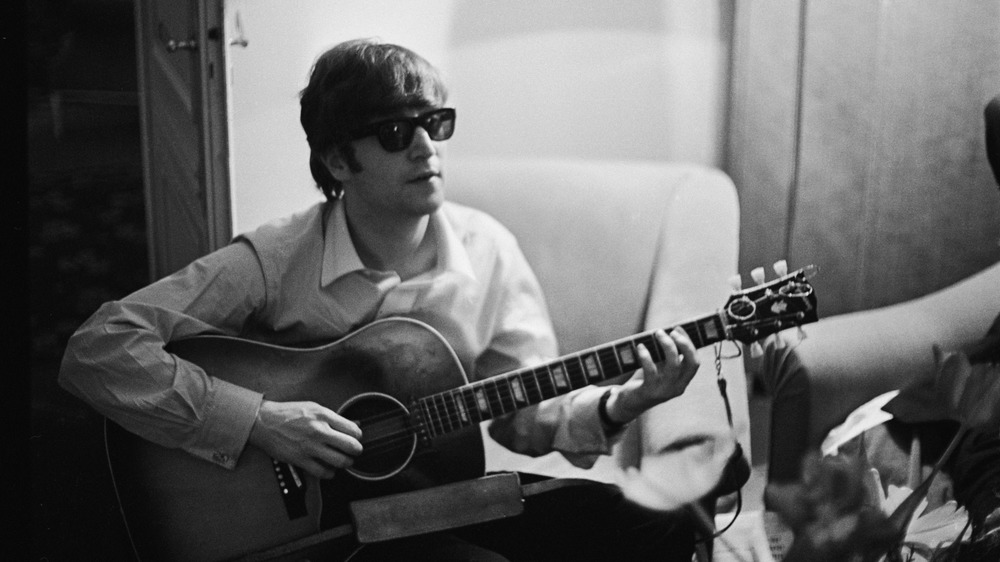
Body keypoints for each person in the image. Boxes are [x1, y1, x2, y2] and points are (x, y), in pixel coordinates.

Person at [59, 38, 703, 561]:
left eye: (435, 123)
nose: (428, 147)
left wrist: (627, 402)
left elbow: (525, 416)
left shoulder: (488, 251)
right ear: (339, 162)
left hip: (443, 500)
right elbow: (98, 350)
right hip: (323, 531)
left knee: (661, 525)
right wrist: (259, 421)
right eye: (397, 132)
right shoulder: (276, 259)